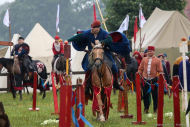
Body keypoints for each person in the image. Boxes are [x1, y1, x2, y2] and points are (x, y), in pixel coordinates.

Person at [65, 20, 131, 94]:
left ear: (98, 28)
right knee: (88, 68)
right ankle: (86, 87)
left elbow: (110, 39)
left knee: (114, 67)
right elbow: (78, 36)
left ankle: (116, 84)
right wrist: (68, 40)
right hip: (92, 54)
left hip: (104, 52)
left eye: (94, 28)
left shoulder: (104, 33)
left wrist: (100, 42)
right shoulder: (88, 33)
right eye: (92, 28)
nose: (92, 29)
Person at [138, 46, 163, 113]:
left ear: (154, 51)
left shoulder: (157, 60)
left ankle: (155, 109)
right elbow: (140, 69)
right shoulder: (144, 59)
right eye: (148, 51)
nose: (149, 52)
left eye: (151, 51)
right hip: (145, 80)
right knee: (145, 95)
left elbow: (160, 70)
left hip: (153, 80)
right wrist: (139, 75)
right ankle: (146, 109)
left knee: (155, 96)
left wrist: (158, 78)